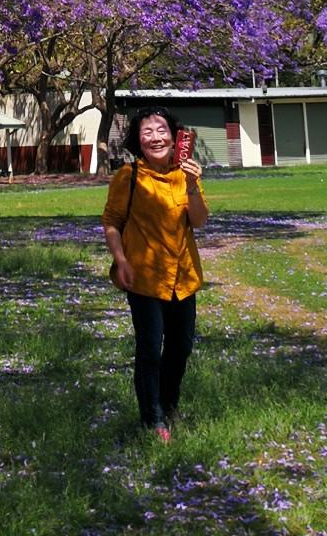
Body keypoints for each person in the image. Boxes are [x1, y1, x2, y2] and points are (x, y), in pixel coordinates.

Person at [101, 107, 209, 441]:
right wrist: (120, 260)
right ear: (138, 140)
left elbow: (200, 220)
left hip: (183, 277)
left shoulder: (187, 174)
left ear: (176, 137)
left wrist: (192, 184)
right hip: (145, 278)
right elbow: (111, 223)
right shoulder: (128, 176)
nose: (155, 137)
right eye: (147, 132)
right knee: (150, 350)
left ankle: (168, 403)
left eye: (161, 130)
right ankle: (152, 418)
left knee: (181, 347)